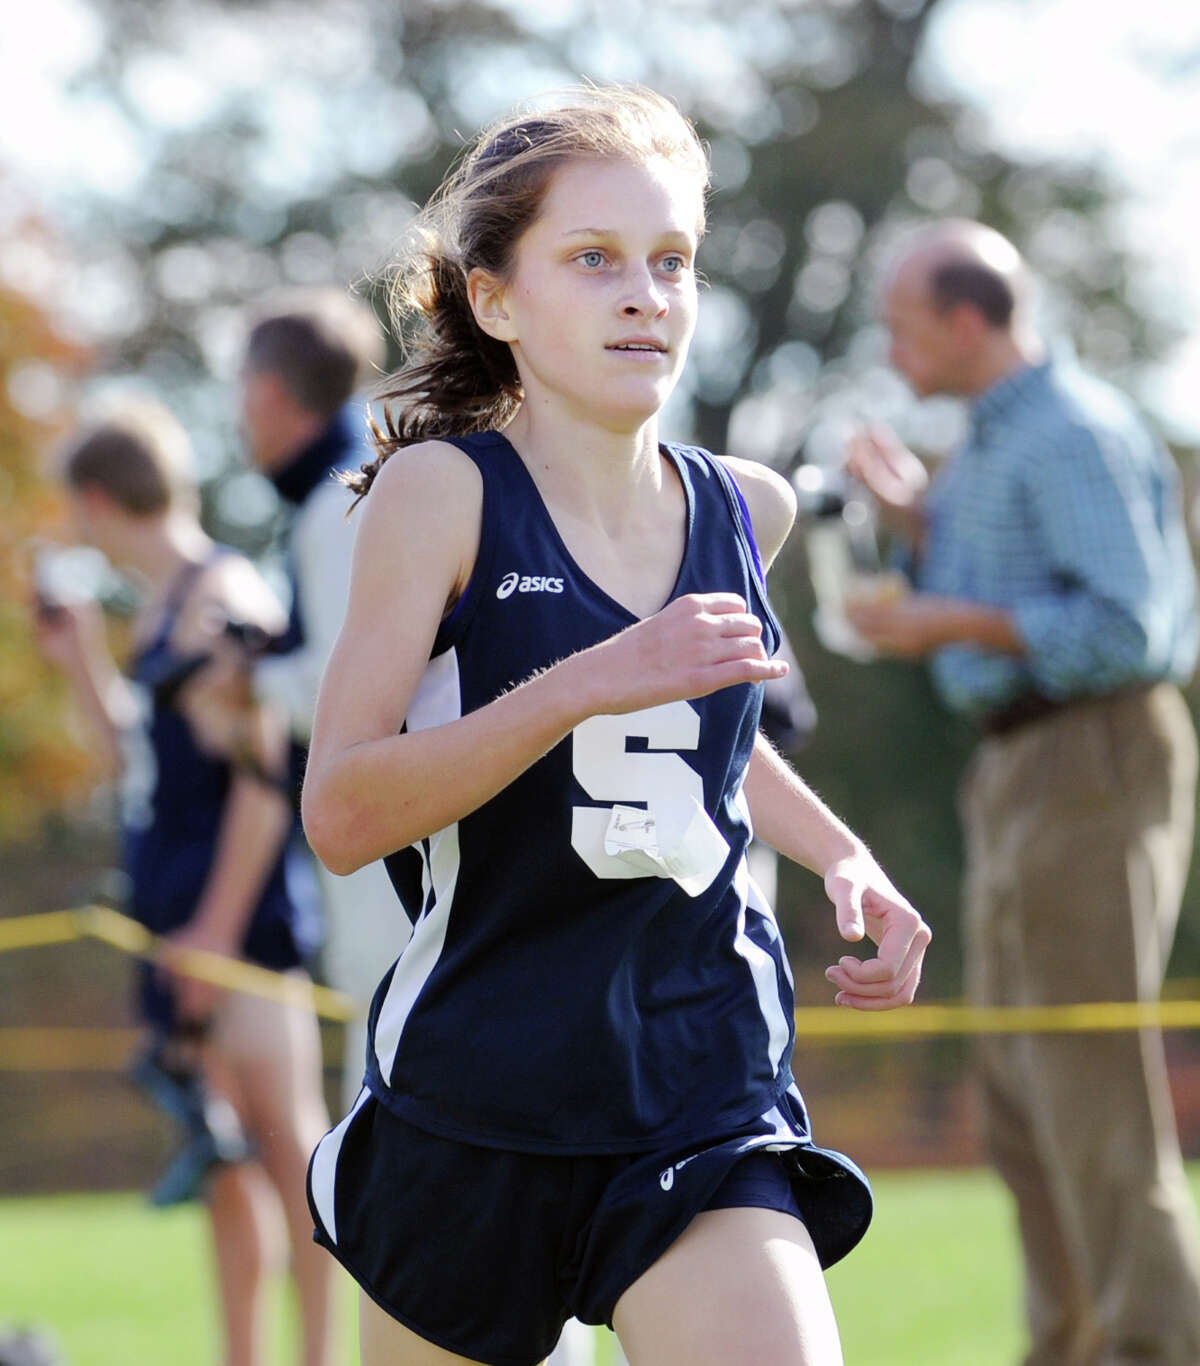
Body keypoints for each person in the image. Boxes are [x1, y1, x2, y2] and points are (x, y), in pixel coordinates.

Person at [300, 85, 930, 1366]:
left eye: (672, 262)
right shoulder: (439, 498)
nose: (645, 294)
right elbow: (343, 812)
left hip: (700, 1085)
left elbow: (699, 747)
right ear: (495, 300)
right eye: (593, 260)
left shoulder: (747, 509)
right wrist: (590, 675)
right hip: (477, 1093)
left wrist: (844, 857)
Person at [845, 218, 1200, 1366]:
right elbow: (1019, 575)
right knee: (1018, 1091)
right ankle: (1072, 1345)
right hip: (1015, 762)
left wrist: (948, 617)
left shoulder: (1072, 433)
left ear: (964, 319)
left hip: (1092, 753)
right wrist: (919, 527)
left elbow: (1128, 628)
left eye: (903, 328)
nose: (892, 353)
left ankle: (1154, 1346)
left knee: (1087, 1082)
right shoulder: (989, 446)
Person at [34, 399, 341, 1366]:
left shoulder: (224, 597)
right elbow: (148, 759)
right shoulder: (163, 608)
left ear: (95, 497)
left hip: (239, 936)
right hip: (176, 929)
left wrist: (212, 931)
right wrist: (80, 657)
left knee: (289, 1154)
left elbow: (263, 781)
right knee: (222, 1163)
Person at [236, 288, 411, 1105]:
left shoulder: (340, 501)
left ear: (270, 394)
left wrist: (240, 682)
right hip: (387, 831)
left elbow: (357, 696)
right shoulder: (346, 490)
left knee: (392, 1065)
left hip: (391, 844)